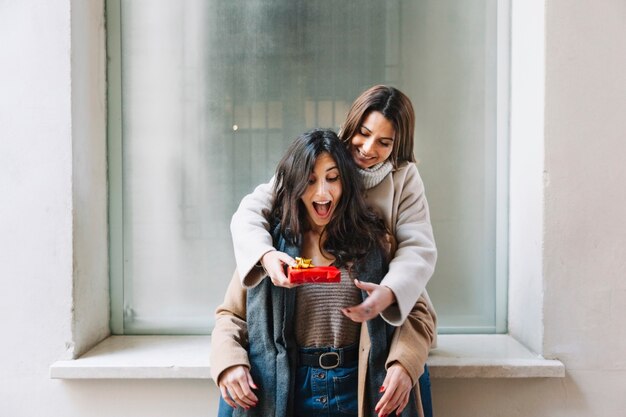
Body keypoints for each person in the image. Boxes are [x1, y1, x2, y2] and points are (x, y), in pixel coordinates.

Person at [211, 129, 436, 417]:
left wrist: (405, 363)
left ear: (347, 182)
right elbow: (230, 316)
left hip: (361, 388)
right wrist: (229, 362)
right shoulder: (269, 246)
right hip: (287, 386)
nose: (322, 192)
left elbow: (418, 312)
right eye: (310, 181)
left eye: (332, 178)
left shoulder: (377, 242)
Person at [230, 85, 437, 326]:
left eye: (384, 142)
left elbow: (418, 245)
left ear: (397, 145)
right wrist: (266, 255)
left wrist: (391, 291)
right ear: (351, 125)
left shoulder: (404, 176)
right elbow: (250, 211)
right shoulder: (324, 153)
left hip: (384, 295)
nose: (368, 148)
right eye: (363, 132)